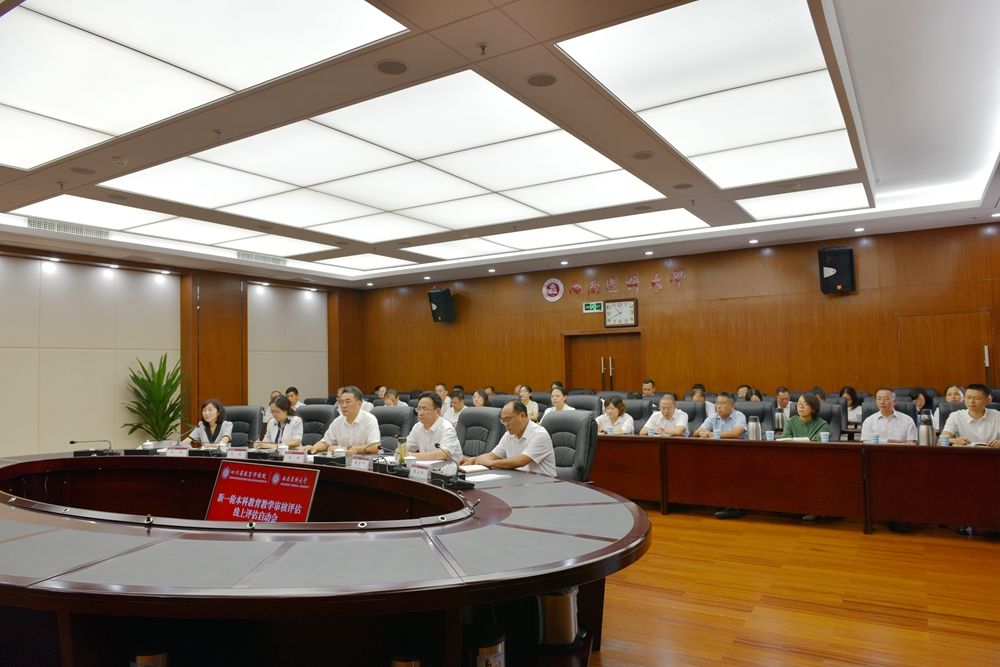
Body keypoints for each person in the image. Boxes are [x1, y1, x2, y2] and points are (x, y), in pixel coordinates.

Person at [460, 401, 555, 476]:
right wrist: (473, 460)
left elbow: (521, 461)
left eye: (508, 420)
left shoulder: (539, 434)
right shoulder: (509, 435)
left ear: (522, 416)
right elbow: (492, 455)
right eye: (503, 420)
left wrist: (491, 463)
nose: (505, 424)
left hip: (543, 484)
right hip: (519, 480)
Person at [303, 386, 379, 455]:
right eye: (341, 402)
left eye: (348, 402)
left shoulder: (369, 419)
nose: (343, 405)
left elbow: (374, 447)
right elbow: (326, 442)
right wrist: (314, 448)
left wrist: (345, 449)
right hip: (342, 461)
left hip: (363, 461)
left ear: (359, 403)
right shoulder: (337, 421)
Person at [403, 392, 463, 462]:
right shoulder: (417, 426)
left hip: (449, 467)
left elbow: (443, 454)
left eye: (425, 409)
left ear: (437, 411)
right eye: (419, 409)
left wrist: (411, 455)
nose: (420, 413)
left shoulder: (447, 428)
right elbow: (404, 448)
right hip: (426, 466)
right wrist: (400, 451)